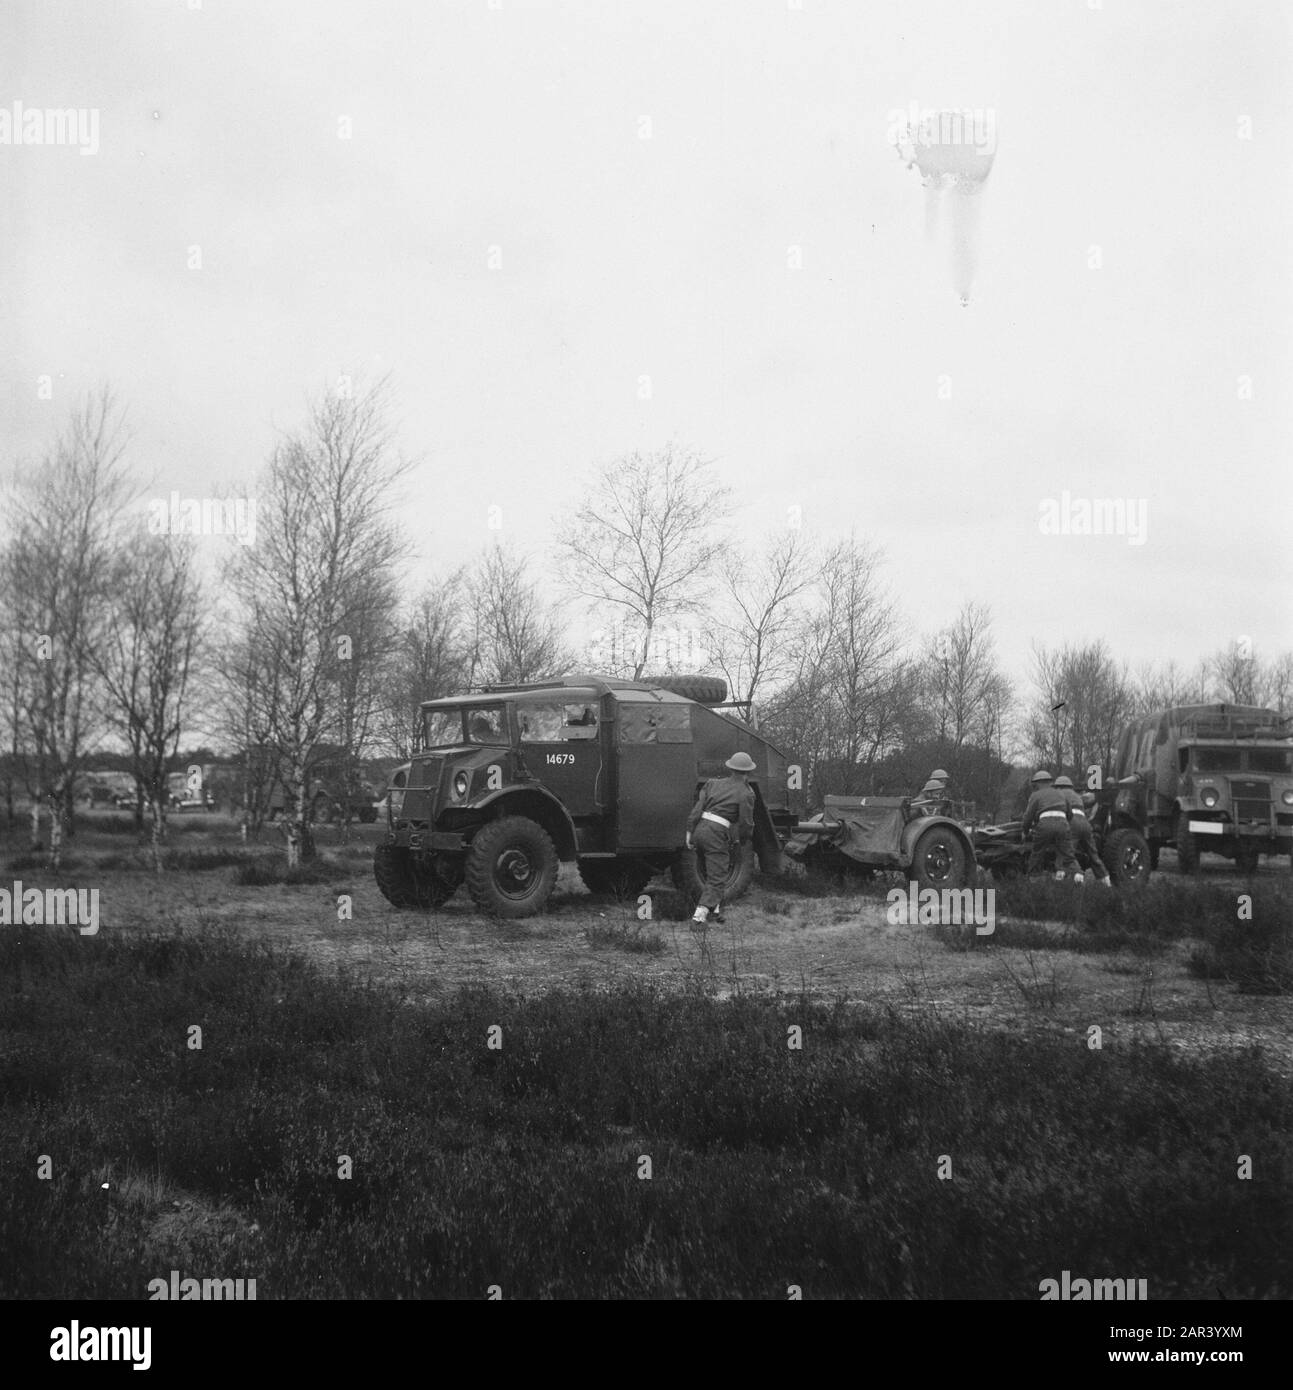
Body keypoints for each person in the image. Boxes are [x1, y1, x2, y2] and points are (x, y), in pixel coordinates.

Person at [685, 751, 756, 929]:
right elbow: (746, 823)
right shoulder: (746, 793)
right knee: (717, 878)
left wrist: (689, 832)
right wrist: (742, 841)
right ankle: (698, 920)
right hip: (716, 834)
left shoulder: (712, 783)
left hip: (700, 830)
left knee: (710, 873)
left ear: (730, 768)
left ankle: (715, 912)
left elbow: (697, 810)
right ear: (748, 772)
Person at [1020, 768, 1081, 882]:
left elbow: (1028, 816)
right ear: (1050, 782)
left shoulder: (1036, 795)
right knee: (1068, 854)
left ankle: (1034, 880)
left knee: (1037, 853)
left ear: (1038, 783)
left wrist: (1025, 831)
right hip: (1063, 824)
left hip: (1045, 825)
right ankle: (1078, 876)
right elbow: (1070, 815)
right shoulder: (1061, 794)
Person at [1054, 776, 1110, 885]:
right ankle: (1106, 881)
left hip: (1072, 823)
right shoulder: (1077, 796)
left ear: (1058, 786)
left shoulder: (1058, 795)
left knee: (1066, 854)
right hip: (1085, 824)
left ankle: (1063, 882)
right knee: (1093, 855)